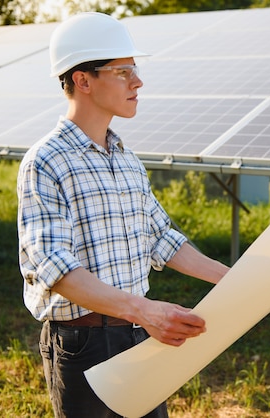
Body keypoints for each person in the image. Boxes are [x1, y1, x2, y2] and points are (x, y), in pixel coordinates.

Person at [16, 12, 230, 418]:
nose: (138, 82)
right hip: (84, 346)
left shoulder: (128, 160)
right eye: (123, 71)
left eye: (135, 70)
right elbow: (55, 268)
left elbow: (162, 238)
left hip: (140, 335)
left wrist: (232, 278)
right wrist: (145, 310)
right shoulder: (45, 161)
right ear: (83, 80)